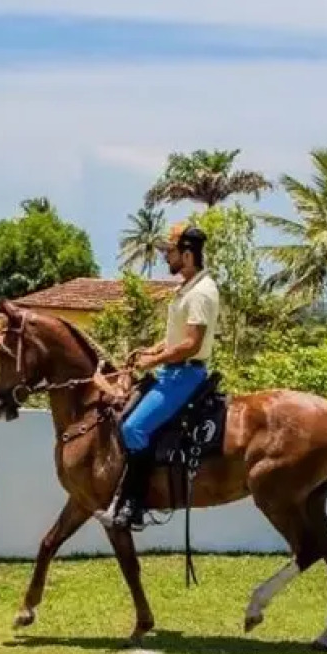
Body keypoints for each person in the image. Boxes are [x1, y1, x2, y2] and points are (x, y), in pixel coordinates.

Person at [99, 220, 222, 530]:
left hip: (184, 376)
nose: (167, 257)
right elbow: (176, 338)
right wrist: (150, 352)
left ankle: (136, 506)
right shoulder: (186, 288)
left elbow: (191, 344)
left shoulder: (201, 294)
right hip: (173, 370)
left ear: (188, 254)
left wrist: (152, 363)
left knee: (134, 429)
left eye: (171, 252)